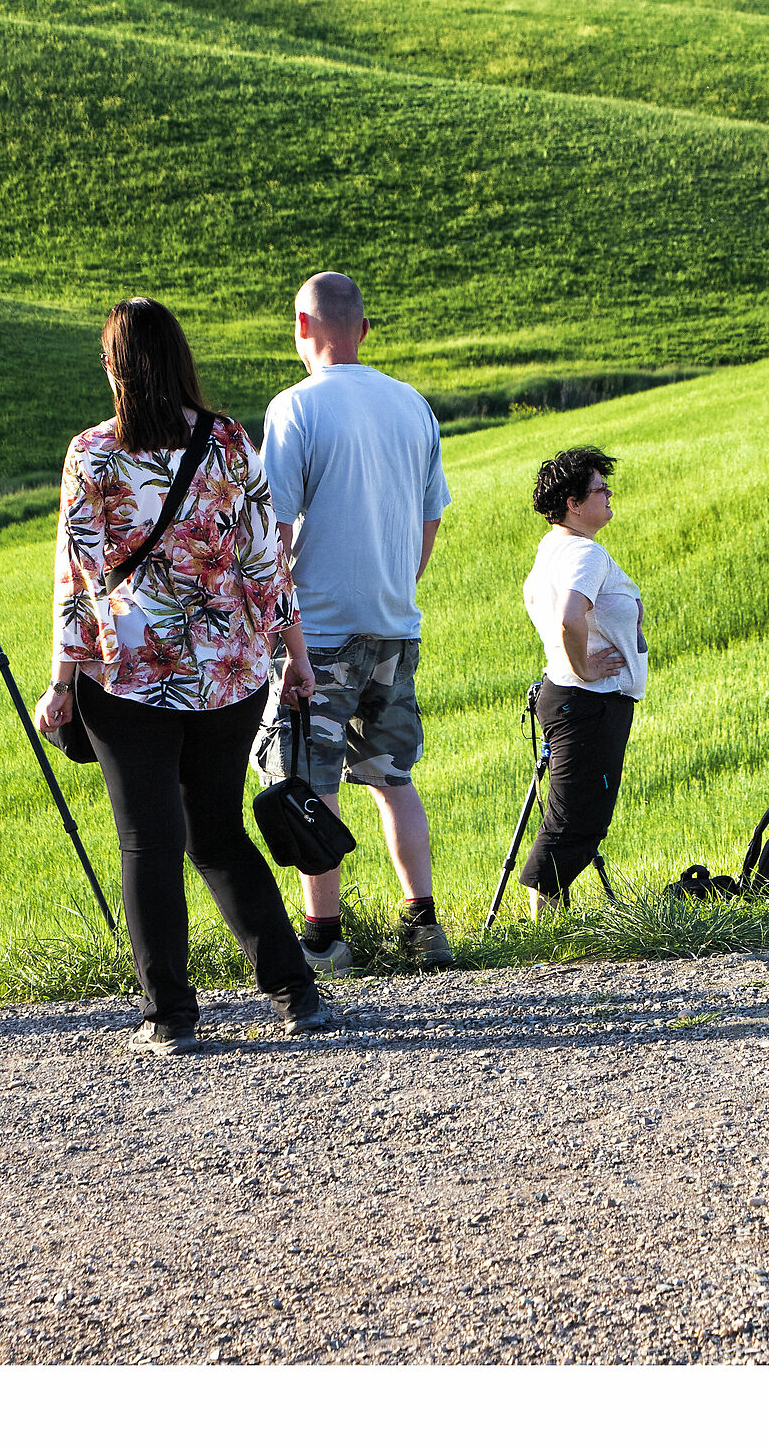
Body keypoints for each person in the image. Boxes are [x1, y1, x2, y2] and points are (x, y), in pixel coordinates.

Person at [37, 297, 333, 1054]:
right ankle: (296, 993)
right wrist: (293, 654)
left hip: (129, 673)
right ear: (180, 361)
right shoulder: (229, 439)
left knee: (148, 840)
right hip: (231, 670)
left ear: (113, 368)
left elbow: (77, 579)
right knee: (217, 831)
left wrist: (61, 682)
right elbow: (266, 562)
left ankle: (170, 1016)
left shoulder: (93, 454)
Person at [251, 271, 455, 974]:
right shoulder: (413, 406)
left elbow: (271, 535)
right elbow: (430, 519)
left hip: (323, 629)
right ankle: (423, 925)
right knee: (392, 773)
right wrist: (398, 584)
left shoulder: (294, 409)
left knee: (313, 780)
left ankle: (325, 937)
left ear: (301, 329)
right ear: (364, 329)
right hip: (396, 622)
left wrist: (283, 637)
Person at [518, 446, 646, 916]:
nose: (609, 494)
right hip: (587, 699)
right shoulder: (583, 554)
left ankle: (549, 920)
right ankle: (544, 926)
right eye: (599, 489)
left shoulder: (552, 548)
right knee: (576, 818)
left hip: (574, 700)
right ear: (573, 503)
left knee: (574, 813)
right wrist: (586, 668)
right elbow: (571, 619)